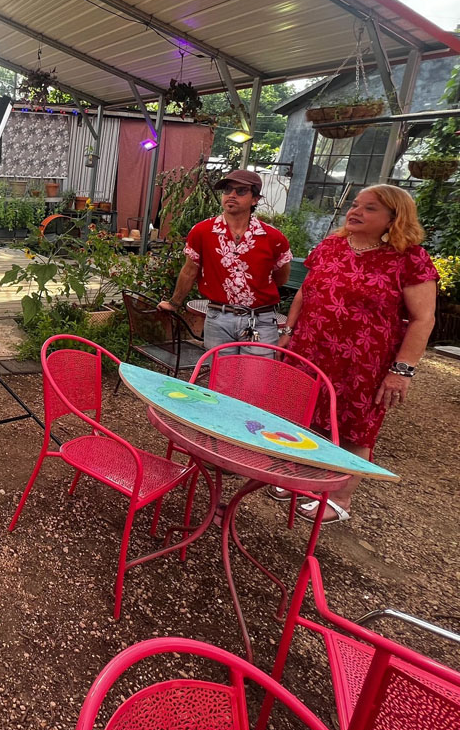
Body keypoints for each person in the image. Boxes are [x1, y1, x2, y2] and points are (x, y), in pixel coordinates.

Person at [273, 185, 437, 524]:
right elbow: (305, 291)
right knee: (305, 414)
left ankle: (340, 497)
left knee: (354, 428)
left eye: (370, 208)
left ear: (394, 218)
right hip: (310, 348)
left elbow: (423, 319)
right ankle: (303, 476)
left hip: (364, 362)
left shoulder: (410, 258)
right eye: (355, 204)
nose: (355, 211)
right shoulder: (331, 245)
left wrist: (401, 371)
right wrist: (288, 330)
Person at [159, 169, 292, 355]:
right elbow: (189, 271)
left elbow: (281, 278)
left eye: (241, 191)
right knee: (220, 372)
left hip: (259, 320)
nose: (232, 195)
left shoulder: (273, 238)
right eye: (227, 190)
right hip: (218, 318)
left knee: (255, 372)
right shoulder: (202, 232)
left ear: (255, 199)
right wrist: (174, 303)